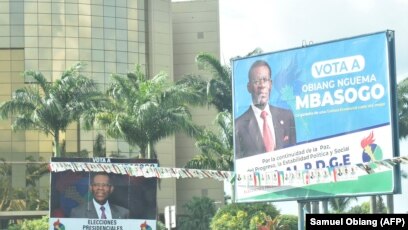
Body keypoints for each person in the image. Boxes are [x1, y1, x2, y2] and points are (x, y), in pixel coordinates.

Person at [235, 60, 296, 159]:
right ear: (249, 87)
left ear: (270, 84)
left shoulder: (287, 116)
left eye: (265, 80)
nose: (262, 85)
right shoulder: (238, 126)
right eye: (256, 81)